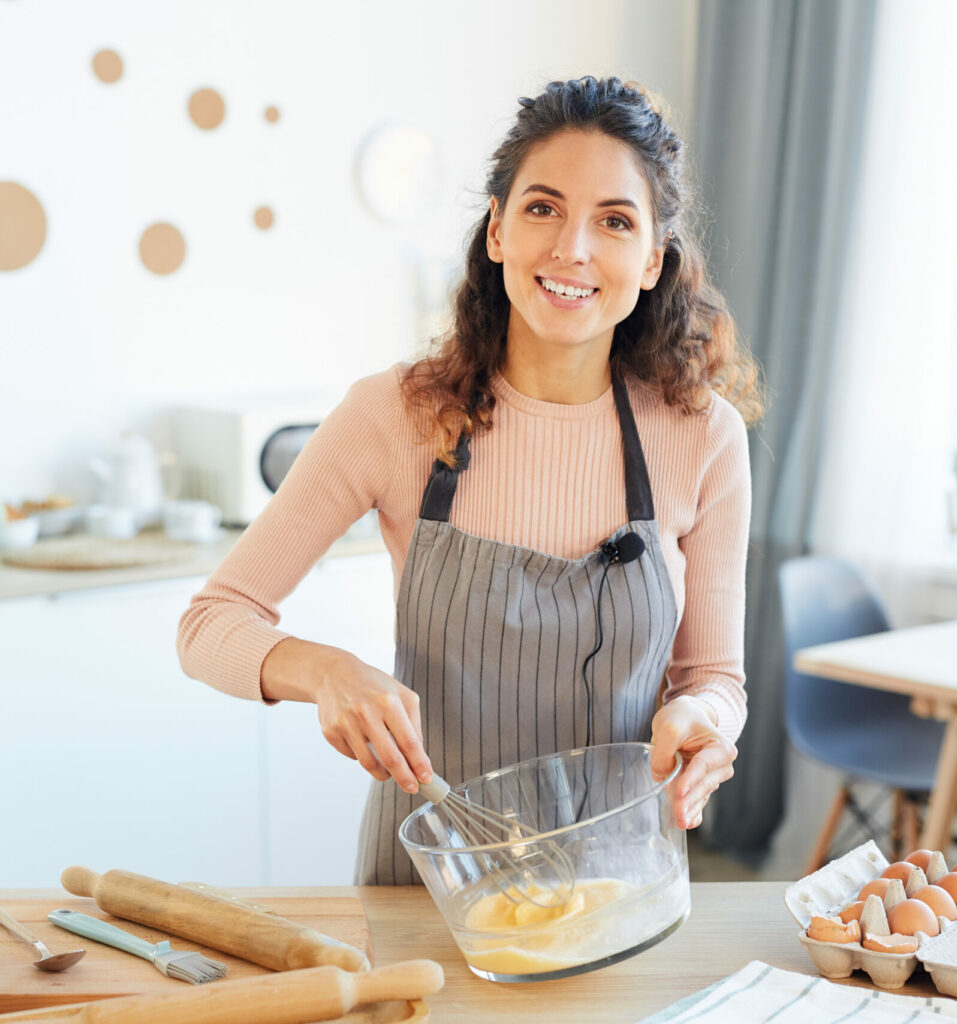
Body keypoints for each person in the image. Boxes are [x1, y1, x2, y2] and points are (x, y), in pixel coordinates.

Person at [177, 75, 763, 885]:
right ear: (496, 231)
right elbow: (210, 624)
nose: (573, 250)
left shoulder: (704, 436)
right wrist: (326, 672)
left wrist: (705, 717)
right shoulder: (395, 414)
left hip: (620, 884)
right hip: (429, 885)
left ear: (654, 257)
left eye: (616, 221)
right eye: (543, 208)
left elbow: (713, 680)